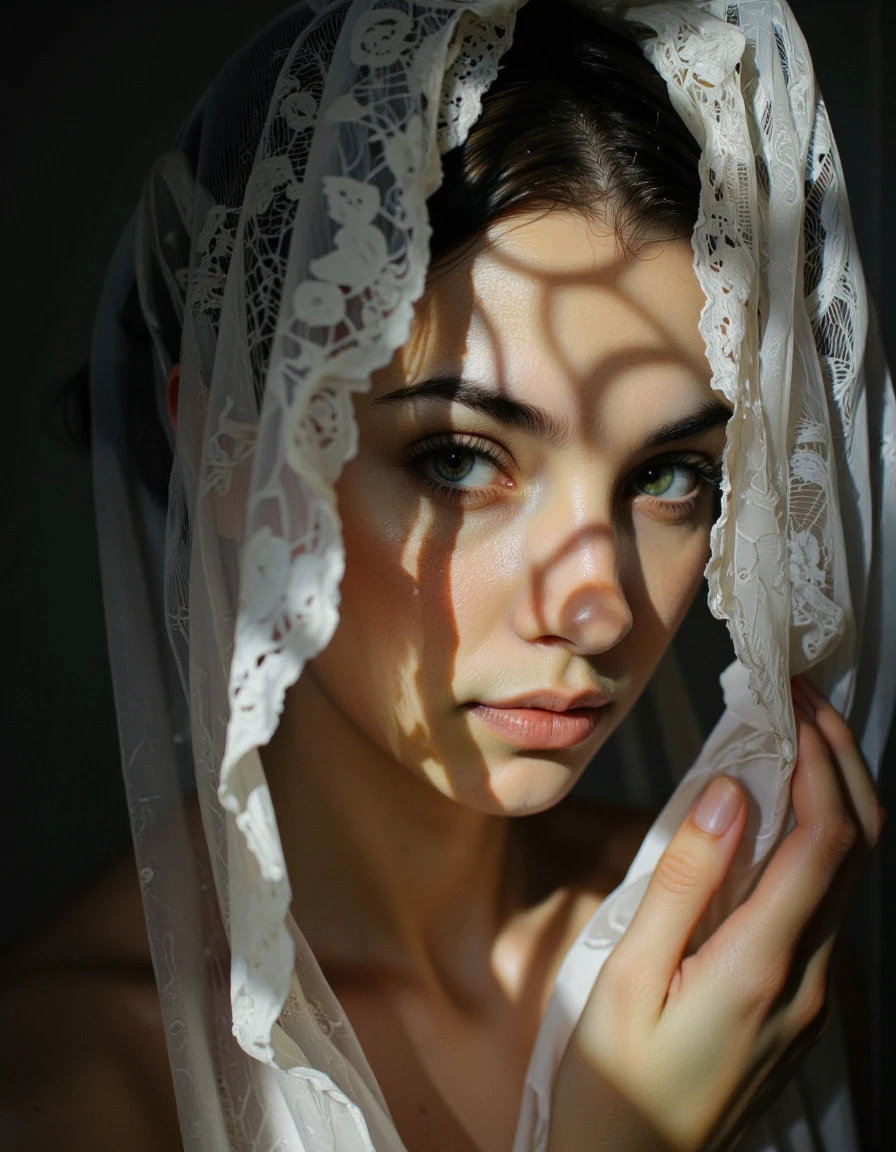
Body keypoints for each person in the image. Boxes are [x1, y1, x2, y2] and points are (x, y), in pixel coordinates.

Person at [2, 1, 893, 1150]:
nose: (598, 605)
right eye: (461, 457)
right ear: (233, 447)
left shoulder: (743, 970)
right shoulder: (62, 1087)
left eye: (673, 475)